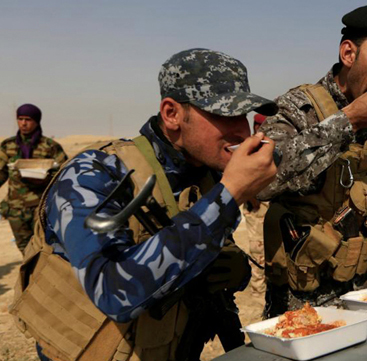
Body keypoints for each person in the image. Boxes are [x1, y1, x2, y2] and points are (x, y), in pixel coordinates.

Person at [10, 49, 278, 361]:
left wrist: (233, 269)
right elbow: (112, 292)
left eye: (242, 116)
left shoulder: (206, 175)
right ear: (171, 114)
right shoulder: (96, 173)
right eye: (224, 114)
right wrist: (228, 194)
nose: (241, 131)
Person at [258, 5, 367, 318]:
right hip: (300, 305)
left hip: (363, 293)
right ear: (349, 54)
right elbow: (262, 180)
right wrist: (349, 121)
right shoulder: (300, 106)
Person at [0, 104, 67, 255]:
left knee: (43, 247)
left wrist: (47, 177)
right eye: (20, 119)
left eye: (28, 119)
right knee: (24, 249)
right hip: (16, 209)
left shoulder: (50, 147)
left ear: (36, 121)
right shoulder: (8, 146)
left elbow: (64, 174)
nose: (23, 123)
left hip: (41, 207)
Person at [241, 113, 269, 296]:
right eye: (258, 126)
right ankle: (259, 292)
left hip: (272, 204)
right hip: (257, 206)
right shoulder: (248, 148)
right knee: (258, 252)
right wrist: (255, 201)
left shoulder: (272, 146)